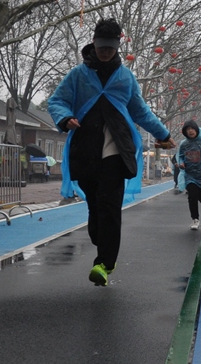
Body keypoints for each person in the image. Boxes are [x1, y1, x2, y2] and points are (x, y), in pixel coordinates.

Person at [48, 17, 172, 286]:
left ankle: (105, 263)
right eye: (101, 47)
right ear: (94, 43)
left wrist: (163, 134)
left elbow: (140, 111)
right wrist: (65, 117)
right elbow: (57, 101)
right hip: (85, 149)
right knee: (95, 207)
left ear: (117, 46)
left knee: (110, 205)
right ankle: (101, 240)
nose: (105, 52)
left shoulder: (126, 78)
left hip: (117, 150)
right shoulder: (78, 75)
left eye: (111, 48)